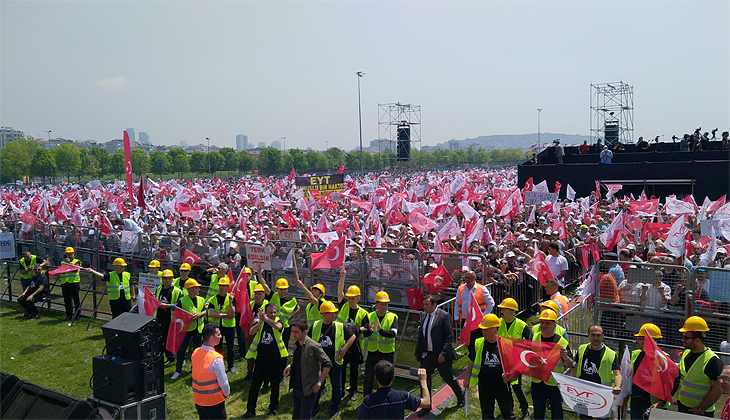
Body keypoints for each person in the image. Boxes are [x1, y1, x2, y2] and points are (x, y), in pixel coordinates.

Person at [414, 294, 464, 417]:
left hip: (441, 355)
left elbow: (449, 336)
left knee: (448, 377)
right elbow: (421, 335)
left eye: (426, 304)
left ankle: (461, 396)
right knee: (424, 380)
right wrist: (417, 352)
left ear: (434, 305)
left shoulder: (443, 316)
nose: (424, 307)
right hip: (427, 355)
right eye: (423, 304)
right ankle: (426, 405)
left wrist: (443, 353)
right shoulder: (424, 316)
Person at [310, 301, 356, 417]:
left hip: (335, 362)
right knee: (318, 384)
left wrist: (343, 350)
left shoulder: (340, 326)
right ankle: (314, 408)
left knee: (337, 387)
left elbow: (353, 336)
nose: (333, 315)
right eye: (331, 313)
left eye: (334, 313)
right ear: (323, 314)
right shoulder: (316, 325)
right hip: (319, 362)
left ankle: (334, 408)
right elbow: (307, 339)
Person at [465, 314, 516, 419]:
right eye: (483, 329)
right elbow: (471, 362)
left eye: (486, 329)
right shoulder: (478, 343)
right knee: (487, 415)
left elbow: (514, 367)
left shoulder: (505, 344)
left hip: (502, 386)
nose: (483, 332)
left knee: (508, 414)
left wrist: (509, 375)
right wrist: (467, 379)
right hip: (485, 387)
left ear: (495, 330)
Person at [242, 304, 288, 418]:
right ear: (265, 313)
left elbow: (278, 327)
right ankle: (250, 410)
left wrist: (266, 319)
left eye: (274, 312)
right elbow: (251, 332)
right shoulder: (261, 322)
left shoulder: (278, 321)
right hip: (261, 360)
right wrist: (261, 322)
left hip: (275, 360)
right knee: (255, 386)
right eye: (270, 312)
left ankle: (273, 408)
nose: (273, 314)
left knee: (275, 386)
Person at [284, 318, 332, 420]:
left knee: (305, 417)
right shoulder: (297, 344)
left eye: (296, 332)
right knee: (295, 416)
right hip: (297, 387)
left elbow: (327, 363)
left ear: (304, 332)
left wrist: (319, 383)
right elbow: (299, 360)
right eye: (292, 331)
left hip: (308, 389)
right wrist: (290, 366)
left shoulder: (313, 346)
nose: (294, 335)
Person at [676, 316, 724, 417]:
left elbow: (718, 389)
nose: (683, 340)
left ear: (697, 340)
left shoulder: (712, 361)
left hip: (701, 413)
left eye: (686, 338)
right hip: (683, 407)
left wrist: (701, 408)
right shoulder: (686, 353)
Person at [531, 309, 573, 420]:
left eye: (547, 323)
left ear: (555, 324)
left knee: (557, 414)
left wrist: (565, 357)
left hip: (554, 384)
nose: (544, 326)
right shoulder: (535, 338)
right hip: (537, 383)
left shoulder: (561, 342)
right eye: (542, 322)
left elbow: (570, 364)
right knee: (538, 414)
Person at [573, 325, 621, 419]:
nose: (596, 338)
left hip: (601, 396)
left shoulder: (611, 354)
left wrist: (618, 386)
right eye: (593, 335)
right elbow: (576, 369)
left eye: (598, 335)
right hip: (584, 394)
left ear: (603, 336)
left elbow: (617, 373)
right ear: (588, 335)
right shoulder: (582, 349)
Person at [336, 267, 369, 400]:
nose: (349, 300)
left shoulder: (363, 313)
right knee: (342, 368)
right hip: (342, 344)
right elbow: (339, 291)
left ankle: (353, 390)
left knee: (354, 370)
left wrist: (358, 329)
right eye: (349, 298)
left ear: (358, 299)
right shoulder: (343, 306)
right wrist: (342, 277)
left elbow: (366, 328)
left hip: (354, 346)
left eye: (352, 298)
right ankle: (341, 389)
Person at [357, 361, 430, 419]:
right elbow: (426, 403)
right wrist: (423, 381)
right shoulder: (403, 397)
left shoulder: (369, 401)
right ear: (393, 378)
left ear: (375, 378)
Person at [497, 298, 530, 419]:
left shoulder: (522, 326)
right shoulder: (498, 323)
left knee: (516, 387)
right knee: (505, 388)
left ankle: (525, 408)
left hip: (516, 362)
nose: (501, 310)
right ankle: (509, 410)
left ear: (511, 311)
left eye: (503, 309)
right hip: (502, 361)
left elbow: (529, 346)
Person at [629, 323, 669, 419]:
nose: (637, 341)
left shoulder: (664, 359)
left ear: (648, 339)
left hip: (654, 405)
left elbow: (668, 386)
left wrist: (660, 403)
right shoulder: (635, 354)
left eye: (640, 338)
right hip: (636, 403)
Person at [363, 291, 399, 397]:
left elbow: (394, 333)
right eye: (382, 304)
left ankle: (385, 399)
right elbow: (364, 332)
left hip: (387, 353)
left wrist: (381, 331)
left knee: (386, 379)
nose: (384, 306)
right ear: (376, 304)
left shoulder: (393, 317)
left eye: (386, 304)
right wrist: (369, 330)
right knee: (368, 378)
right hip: (373, 352)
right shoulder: (369, 316)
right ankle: (367, 401)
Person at [191, 323, 230, 420]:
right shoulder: (216, 358)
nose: (221, 336)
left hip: (199, 400)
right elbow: (223, 381)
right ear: (211, 337)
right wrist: (227, 393)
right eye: (218, 334)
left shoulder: (195, 352)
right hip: (214, 402)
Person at [172, 279, 207, 380]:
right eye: (197, 287)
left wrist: (200, 314)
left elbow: (205, 310)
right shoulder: (182, 301)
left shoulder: (201, 299)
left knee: (197, 350)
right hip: (186, 330)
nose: (199, 289)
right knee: (182, 350)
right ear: (190, 289)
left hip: (198, 329)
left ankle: (195, 368)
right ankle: (178, 370)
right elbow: (177, 314)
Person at [455, 270, 494, 353]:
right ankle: (472, 357)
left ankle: (479, 355)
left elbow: (491, 303)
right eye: (466, 277)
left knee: (478, 340)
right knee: (469, 341)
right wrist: (456, 316)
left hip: (478, 320)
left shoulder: (482, 288)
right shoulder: (461, 288)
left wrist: (484, 316)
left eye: (469, 277)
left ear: (474, 279)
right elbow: (457, 303)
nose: (467, 279)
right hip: (466, 319)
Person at [269, 277, 299, 376]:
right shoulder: (273, 296)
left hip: (285, 328)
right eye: (281, 289)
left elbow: (297, 308)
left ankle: (282, 372)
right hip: (273, 326)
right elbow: (265, 286)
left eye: (285, 289)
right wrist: (260, 273)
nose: (283, 291)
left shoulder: (290, 300)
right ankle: (273, 369)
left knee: (283, 348)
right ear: (277, 289)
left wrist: (290, 316)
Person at [206, 276, 236, 374]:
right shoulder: (213, 299)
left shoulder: (231, 298)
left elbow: (232, 314)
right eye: (220, 286)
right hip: (217, 327)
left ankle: (231, 366)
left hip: (229, 326)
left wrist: (231, 302)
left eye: (224, 286)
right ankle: (218, 365)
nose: (221, 287)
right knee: (217, 346)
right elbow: (212, 314)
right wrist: (225, 315)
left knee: (230, 347)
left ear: (228, 287)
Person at [155, 269, 183, 364]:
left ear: (172, 279)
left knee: (170, 339)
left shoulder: (177, 291)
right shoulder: (159, 288)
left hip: (171, 318)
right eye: (165, 278)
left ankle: (171, 357)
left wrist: (167, 306)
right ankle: (164, 355)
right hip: (160, 317)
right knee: (161, 337)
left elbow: (180, 305)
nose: (167, 280)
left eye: (169, 278)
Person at [244, 283, 269, 380]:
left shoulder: (267, 304)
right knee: (249, 352)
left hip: (262, 333)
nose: (257, 295)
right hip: (251, 332)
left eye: (259, 293)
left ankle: (260, 373)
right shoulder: (250, 304)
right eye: (256, 293)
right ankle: (249, 372)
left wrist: (258, 320)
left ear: (264, 294)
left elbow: (269, 317)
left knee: (261, 354)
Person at [58, 246, 82, 321]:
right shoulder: (62, 262)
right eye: (68, 254)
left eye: (71, 254)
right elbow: (61, 270)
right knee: (67, 300)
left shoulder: (76, 261)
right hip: (65, 283)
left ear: (73, 254)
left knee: (76, 300)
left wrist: (69, 263)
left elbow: (75, 270)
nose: (69, 256)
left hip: (74, 283)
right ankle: (68, 315)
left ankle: (77, 315)